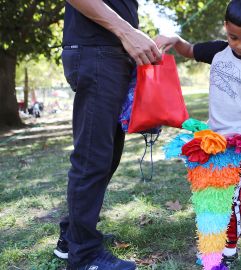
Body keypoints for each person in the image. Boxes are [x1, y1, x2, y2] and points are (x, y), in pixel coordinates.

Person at [155, 0, 241, 265]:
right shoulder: (218, 52)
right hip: (211, 140)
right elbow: (188, 50)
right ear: (225, 29)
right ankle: (212, 238)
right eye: (233, 37)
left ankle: (229, 242)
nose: (240, 44)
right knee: (211, 191)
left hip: (240, 142)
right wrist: (174, 38)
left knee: (232, 194)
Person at [53, 0, 161, 269]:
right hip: (97, 51)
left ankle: (73, 236)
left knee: (107, 156)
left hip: (111, 53)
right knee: (92, 157)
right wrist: (127, 32)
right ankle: (85, 257)